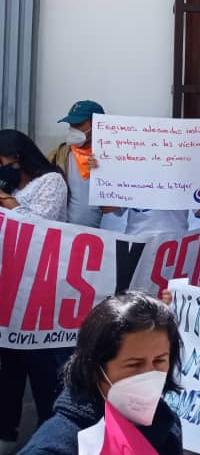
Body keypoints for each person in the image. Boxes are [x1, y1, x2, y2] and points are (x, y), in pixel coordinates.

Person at [19, 292, 183, 455]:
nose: (149, 374)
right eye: (134, 364)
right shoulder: (52, 448)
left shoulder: (167, 425)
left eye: (159, 361)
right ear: (96, 368)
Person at [0, 129, 72, 453]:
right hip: (11, 285)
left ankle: (49, 436)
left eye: (2, 161)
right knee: (10, 366)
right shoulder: (11, 185)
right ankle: (7, 433)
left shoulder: (52, 182)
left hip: (43, 287)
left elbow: (38, 223)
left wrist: (4, 201)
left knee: (43, 367)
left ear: (18, 157)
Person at [49, 99, 105, 228]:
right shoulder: (58, 155)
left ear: (98, 124)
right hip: (68, 235)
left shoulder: (114, 157)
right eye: (71, 125)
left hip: (106, 236)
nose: (73, 129)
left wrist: (104, 171)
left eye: (78, 124)